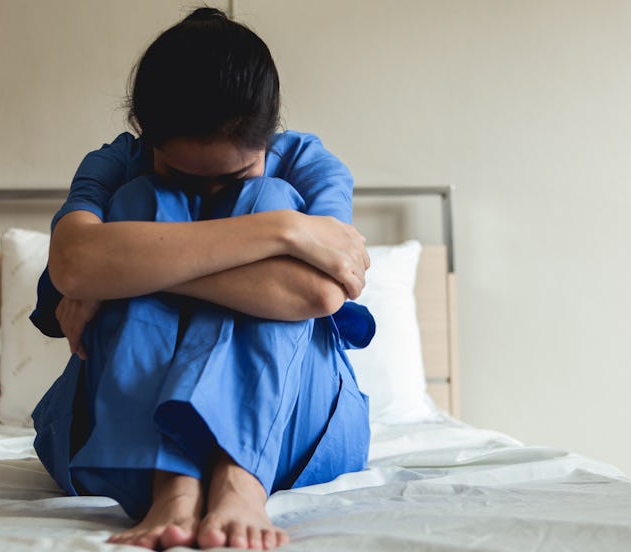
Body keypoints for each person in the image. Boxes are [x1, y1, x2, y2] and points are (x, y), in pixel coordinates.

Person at [29, 7, 374, 551]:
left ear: (269, 135)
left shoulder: (307, 164)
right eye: (182, 173)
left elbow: (317, 293)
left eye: (232, 177)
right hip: (118, 432)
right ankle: (174, 486)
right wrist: (284, 236)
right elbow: (73, 265)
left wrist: (126, 271)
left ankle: (241, 479)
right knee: (143, 199)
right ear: (147, 138)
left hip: (290, 426)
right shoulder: (119, 164)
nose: (211, 190)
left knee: (269, 196)